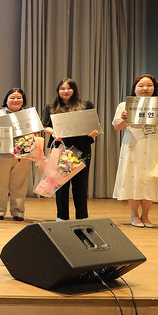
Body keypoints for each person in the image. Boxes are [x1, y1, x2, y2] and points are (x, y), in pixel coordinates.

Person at [112, 74, 158, 228]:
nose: (145, 88)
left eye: (149, 85)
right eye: (141, 85)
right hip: (134, 145)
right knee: (134, 178)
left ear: (154, 88)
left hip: (154, 144)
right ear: (134, 88)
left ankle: (145, 215)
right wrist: (124, 119)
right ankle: (134, 215)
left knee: (151, 179)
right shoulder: (125, 105)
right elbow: (117, 127)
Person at [41, 78, 99, 221]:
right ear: (58, 91)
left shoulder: (86, 105)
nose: (66, 91)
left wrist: (94, 131)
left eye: (69, 88)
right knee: (60, 183)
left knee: (81, 183)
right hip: (61, 147)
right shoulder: (50, 107)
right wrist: (53, 133)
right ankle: (62, 216)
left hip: (82, 147)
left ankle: (81, 216)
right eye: (62, 88)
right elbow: (46, 126)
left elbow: (94, 125)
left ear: (74, 90)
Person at [0, 88, 32, 221]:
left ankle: (18, 211)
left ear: (23, 100)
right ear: (6, 100)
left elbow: (35, 132)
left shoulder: (28, 115)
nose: (16, 100)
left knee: (20, 185)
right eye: (12, 97)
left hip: (22, 155)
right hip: (1, 154)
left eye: (19, 97)